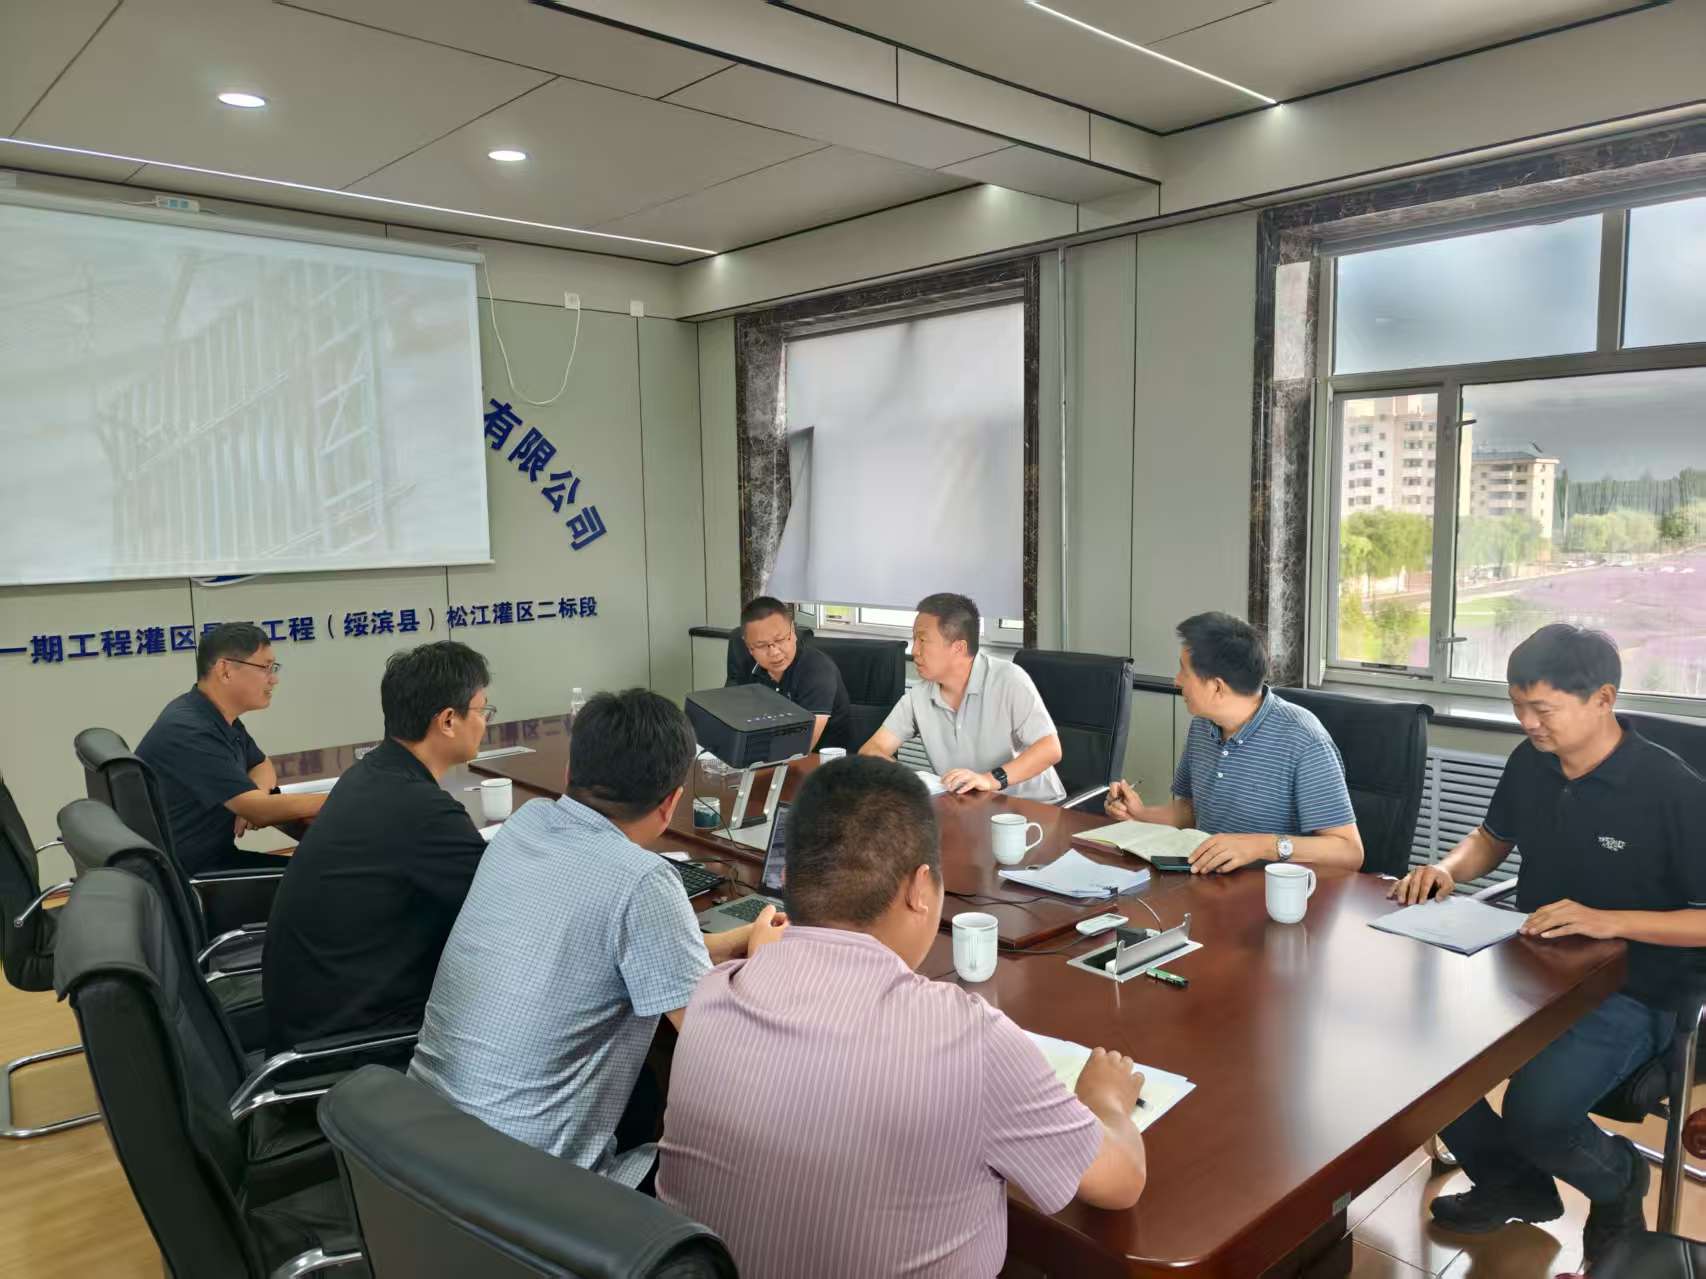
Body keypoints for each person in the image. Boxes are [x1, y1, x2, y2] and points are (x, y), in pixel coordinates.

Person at [658, 756, 1145, 1277]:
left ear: (789, 877)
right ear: (919, 888)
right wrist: (1105, 1099)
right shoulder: (966, 1038)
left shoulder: (713, 995)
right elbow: (1119, 1183)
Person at [1390, 624, 1706, 1269]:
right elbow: (1490, 839)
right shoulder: (1530, 760)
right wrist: (1447, 869)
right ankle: (1513, 1183)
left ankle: (1618, 1183)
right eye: (1518, 706)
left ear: (1603, 699)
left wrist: (1609, 920)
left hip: (1639, 985)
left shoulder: (1673, 790)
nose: (1528, 724)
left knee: (1537, 1113)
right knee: (1416, 1056)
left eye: (1543, 709)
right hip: (1530, 962)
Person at [409, 688, 785, 1186]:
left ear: (570, 772)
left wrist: (730, 941)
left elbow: (604, 952)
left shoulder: (525, 823)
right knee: (749, 1156)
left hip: (419, 1145)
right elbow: (719, 1044)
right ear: (671, 803)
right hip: (526, 1187)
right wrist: (762, 961)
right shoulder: (644, 881)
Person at [262, 641, 493, 1054]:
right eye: (482, 710)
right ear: (447, 720)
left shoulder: (369, 774)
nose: (486, 722)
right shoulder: (422, 811)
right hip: (356, 1048)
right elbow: (505, 916)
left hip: (309, 1021)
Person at [1103, 612, 1363, 873]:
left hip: (1269, 889)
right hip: (1207, 881)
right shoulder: (1203, 724)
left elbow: (1349, 851)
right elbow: (1191, 811)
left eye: (1184, 671)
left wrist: (1261, 846)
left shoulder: (1305, 740)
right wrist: (1140, 814)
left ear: (1217, 687)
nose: (1176, 680)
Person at [137, 622, 326, 874]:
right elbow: (260, 812)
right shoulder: (189, 730)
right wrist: (340, 799)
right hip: (189, 878)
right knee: (325, 881)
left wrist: (254, 796)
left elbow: (260, 764)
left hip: (211, 860)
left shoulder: (213, 714)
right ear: (225, 671)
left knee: (321, 875)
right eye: (265, 668)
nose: (274, 679)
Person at [859, 592, 1065, 802]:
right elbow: (872, 750)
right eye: (914, 639)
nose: (915, 651)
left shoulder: (1008, 679)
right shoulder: (919, 696)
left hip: (1035, 806)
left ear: (958, 647)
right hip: (971, 806)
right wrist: (913, 782)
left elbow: (1050, 749)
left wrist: (989, 780)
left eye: (922, 640)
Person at [726, 596, 852, 751]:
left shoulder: (817, 670)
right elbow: (736, 724)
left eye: (779, 640)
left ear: (793, 631)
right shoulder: (748, 668)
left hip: (818, 759)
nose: (774, 652)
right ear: (748, 645)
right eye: (761, 645)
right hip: (765, 756)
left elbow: (801, 745)